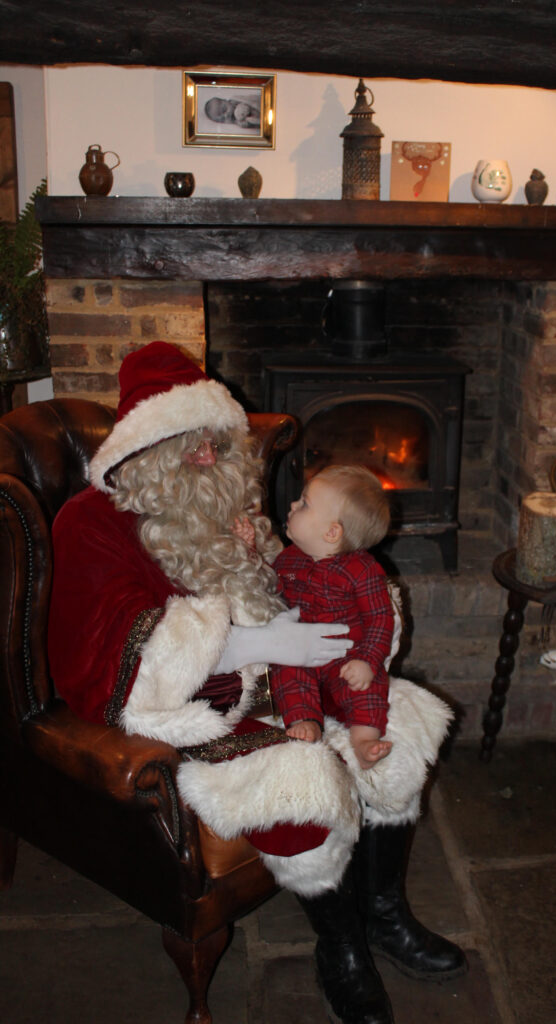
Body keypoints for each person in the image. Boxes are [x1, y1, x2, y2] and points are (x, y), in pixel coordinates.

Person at [48, 341, 467, 1024]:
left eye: (217, 440)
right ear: (145, 449)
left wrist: (316, 601)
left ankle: (383, 915)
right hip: (197, 709)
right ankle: (341, 948)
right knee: (297, 788)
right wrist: (251, 643)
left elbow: (286, 579)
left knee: (402, 726)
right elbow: (102, 659)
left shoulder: (221, 503)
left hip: (283, 679)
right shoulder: (89, 525)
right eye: (193, 444)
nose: (212, 458)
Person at [270, 465, 394, 770]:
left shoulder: (362, 571)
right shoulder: (288, 558)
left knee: (370, 685)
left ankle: (364, 740)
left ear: (332, 533)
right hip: (302, 649)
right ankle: (305, 720)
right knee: (286, 668)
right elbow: (266, 590)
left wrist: (367, 660)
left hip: (346, 654)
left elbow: (380, 619)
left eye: (304, 503)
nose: (292, 506)